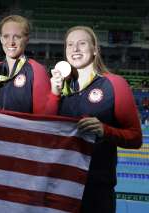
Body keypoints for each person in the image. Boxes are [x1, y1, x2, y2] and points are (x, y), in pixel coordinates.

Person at [51, 26, 142, 213]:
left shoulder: (114, 84)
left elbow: (135, 138)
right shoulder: (59, 88)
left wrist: (105, 130)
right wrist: (54, 93)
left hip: (96, 190)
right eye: (70, 45)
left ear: (94, 50)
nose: (75, 49)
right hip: (61, 186)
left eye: (81, 43)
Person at [0, 15, 57, 113]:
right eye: (6, 36)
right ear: (0, 38)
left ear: (27, 39)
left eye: (17, 37)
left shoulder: (37, 70)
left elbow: (43, 118)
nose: (11, 42)